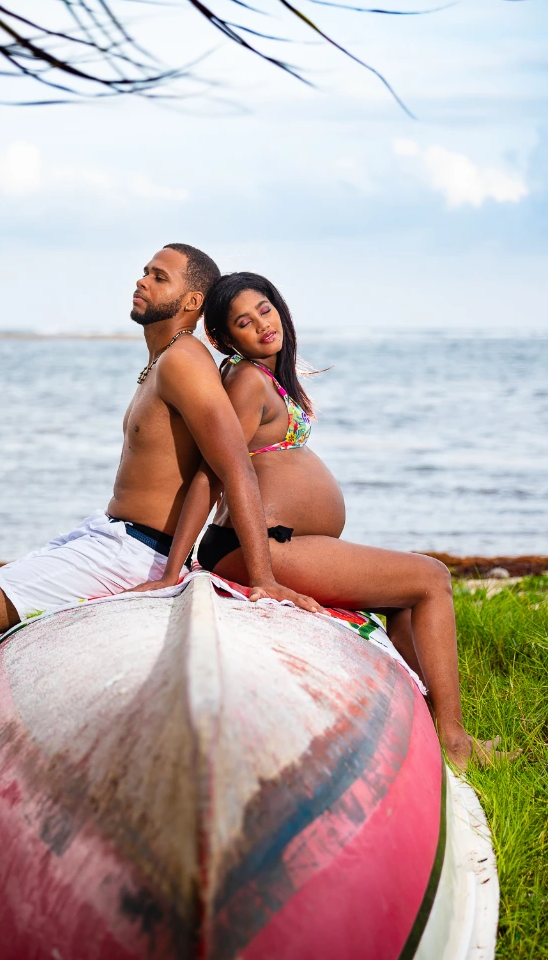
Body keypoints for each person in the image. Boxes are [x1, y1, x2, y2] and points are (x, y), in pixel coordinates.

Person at [0, 248, 318, 754]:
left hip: (136, 549)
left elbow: (232, 467)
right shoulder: (165, 361)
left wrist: (263, 579)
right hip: (109, 533)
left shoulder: (186, 361)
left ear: (190, 300)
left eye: (157, 277)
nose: (141, 281)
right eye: (145, 272)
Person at [132, 271, 509, 771]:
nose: (262, 325)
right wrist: (171, 571)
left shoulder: (267, 376)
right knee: (432, 578)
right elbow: (212, 475)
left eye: (265, 309)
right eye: (244, 322)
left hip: (278, 542)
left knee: (404, 602)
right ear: (225, 339)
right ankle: (456, 743)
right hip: (259, 546)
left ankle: (431, 727)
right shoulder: (246, 379)